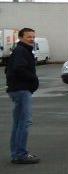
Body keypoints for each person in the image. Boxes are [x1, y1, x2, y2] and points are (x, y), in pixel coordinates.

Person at [5, 27, 40, 164]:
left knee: (18, 123)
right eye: (28, 36)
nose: (31, 39)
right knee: (24, 122)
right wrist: (33, 79)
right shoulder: (21, 51)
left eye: (33, 36)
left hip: (18, 89)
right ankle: (20, 154)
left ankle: (17, 154)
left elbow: (8, 69)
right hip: (21, 90)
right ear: (20, 38)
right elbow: (18, 69)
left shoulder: (20, 51)